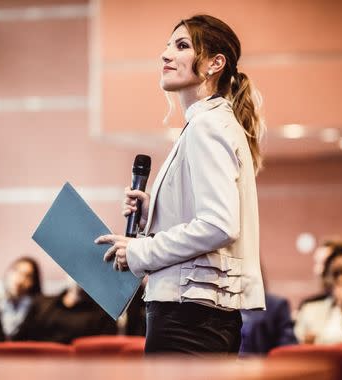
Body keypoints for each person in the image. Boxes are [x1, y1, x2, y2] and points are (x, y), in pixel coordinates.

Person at [95, 14, 266, 355]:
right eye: (167, 45)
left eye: (182, 45)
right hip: (195, 314)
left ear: (215, 63)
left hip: (189, 317)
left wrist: (140, 251)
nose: (166, 54)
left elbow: (219, 225)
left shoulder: (208, 125)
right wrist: (152, 214)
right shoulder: (210, 122)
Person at [21, 279, 116, 343]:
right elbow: (22, 339)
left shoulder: (104, 314)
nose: (80, 279)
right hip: (38, 364)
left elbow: (104, 352)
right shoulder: (41, 304)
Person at [0, 257, 43, 341]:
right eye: (16, 271)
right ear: (8, 273)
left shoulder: (39, 309)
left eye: (27, 276)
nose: (20, 280)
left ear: (33, 282)